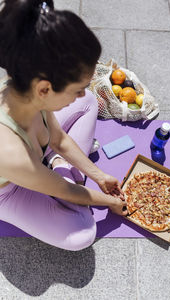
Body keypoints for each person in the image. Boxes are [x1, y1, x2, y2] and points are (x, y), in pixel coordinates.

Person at [0, 0, 127, 251]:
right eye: (76, 90)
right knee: (83, 234)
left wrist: (100, 177)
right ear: (45, 89)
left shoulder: (29, 90)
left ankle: (57, 163)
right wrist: (109, 202)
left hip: (36, 160)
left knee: (90, 103)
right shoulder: (8, 151)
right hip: (8, 189)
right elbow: (64, 190)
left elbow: (58, 139)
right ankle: (57, 166)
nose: (80, 95)